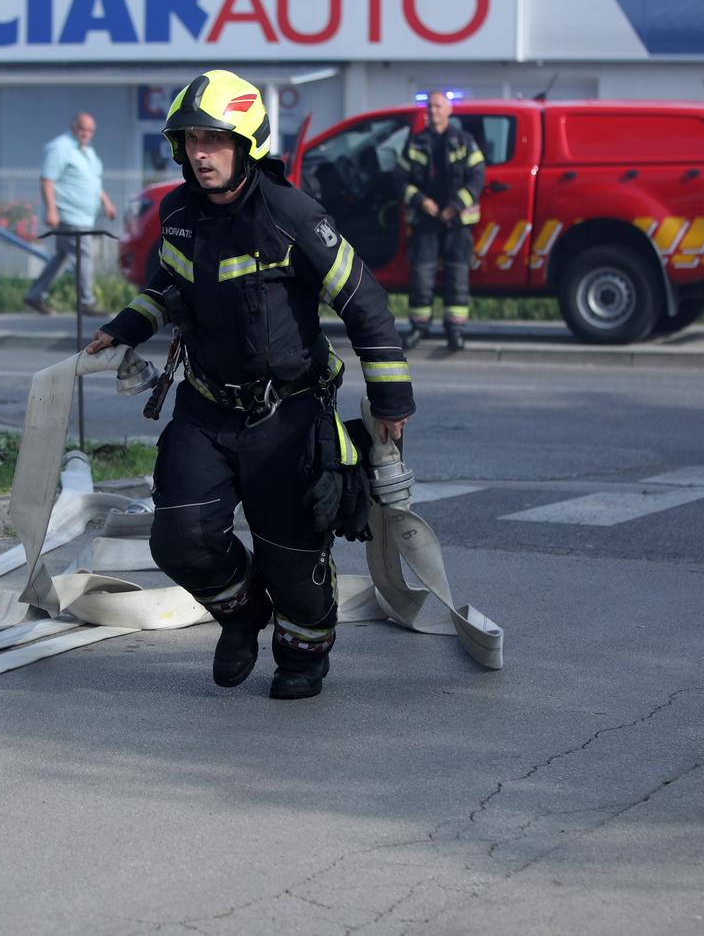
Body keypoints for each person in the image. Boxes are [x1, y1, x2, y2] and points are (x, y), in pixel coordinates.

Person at [86, 70, 415, 701]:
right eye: (190, 141)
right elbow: (171, 287)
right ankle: (241, 616)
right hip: (207, 409)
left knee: (293, 557)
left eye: (215, 140)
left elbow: (366, 304)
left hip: (287, 417)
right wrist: (126, 325)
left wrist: (391, 401)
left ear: (247, 143)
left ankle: (303, 652)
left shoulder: (294, 215)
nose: (201, 153)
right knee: (179, 539)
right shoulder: (178, 212)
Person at [395, 90, 485, 352]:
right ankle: (419, 328)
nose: (433, 111)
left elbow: (478, 176)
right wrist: (421, 200)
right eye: (430, 107)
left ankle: (454, 332)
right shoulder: (416, 142)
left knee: (457, 275)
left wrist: (456, 205)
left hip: (457, 221)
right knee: (421, 275)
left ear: (449, 110)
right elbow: (399, 179)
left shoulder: (464, 141)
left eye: (438, 106)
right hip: (426, 219)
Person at [25, 112, 118, 316]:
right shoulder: (60, 148)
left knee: (62, 255)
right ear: (73, 127)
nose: (86, 133)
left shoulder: (87, 152)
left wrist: (107, 203)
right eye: (82, 129)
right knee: (83, 255)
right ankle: (86, 301)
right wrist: (51, 210)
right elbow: (47, 180)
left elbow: (93, 182)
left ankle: (35, 294)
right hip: (69, 215)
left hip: (84, 216)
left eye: (90, 130)